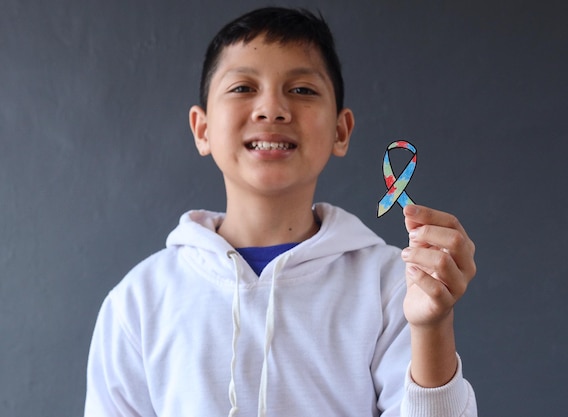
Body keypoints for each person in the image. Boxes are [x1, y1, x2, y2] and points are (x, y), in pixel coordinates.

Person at [84, 6, 477, 417]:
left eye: (302, 90)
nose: (272, 109)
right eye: (242, 88)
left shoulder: (391, 286)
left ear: (341, 132)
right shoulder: (139, 301)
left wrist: (431, 326)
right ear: (202, 130)